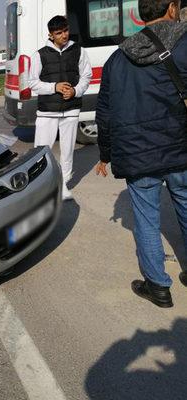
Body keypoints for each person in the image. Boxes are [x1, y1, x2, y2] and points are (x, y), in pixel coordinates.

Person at [96, 0, 187, 307]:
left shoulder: (117, 58)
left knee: (147, 219)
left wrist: (105, 154)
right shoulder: (184, 42)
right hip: (180, 147)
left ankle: (158, 287)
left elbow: (104, 113)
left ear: (139, 16)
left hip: (137, 154)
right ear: (172, 8)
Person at [29, 15, 92, 201]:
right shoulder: (39, 55)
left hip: (71, 110)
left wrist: (75, 91)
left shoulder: (79, 51)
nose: (64, 35)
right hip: (47, 111)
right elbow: (32, 82)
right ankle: (40, 188)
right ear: (51, 35)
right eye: (59, 33)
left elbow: (86, 76)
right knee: (42, 151)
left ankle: (63, 185)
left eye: (65, 31)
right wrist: (53, 87)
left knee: (67, 151)